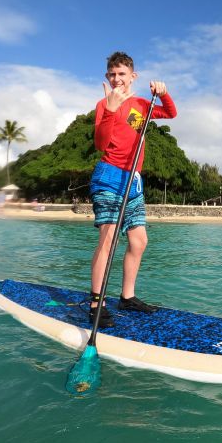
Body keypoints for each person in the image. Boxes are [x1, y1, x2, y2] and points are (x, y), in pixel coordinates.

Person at [88, 51, 177, 327]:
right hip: (109, 177)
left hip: (134, 180)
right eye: (112, 74)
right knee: (108, 239)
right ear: (107, 76)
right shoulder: (104, 104)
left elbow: (171, 113)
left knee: (139, 241)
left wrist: (163, 93)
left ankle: (127, 297)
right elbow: (101, 144)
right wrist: (112, 110)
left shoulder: (142, 104)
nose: (117, 79)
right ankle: (96, 304)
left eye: (122, 74)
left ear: (132, 76)